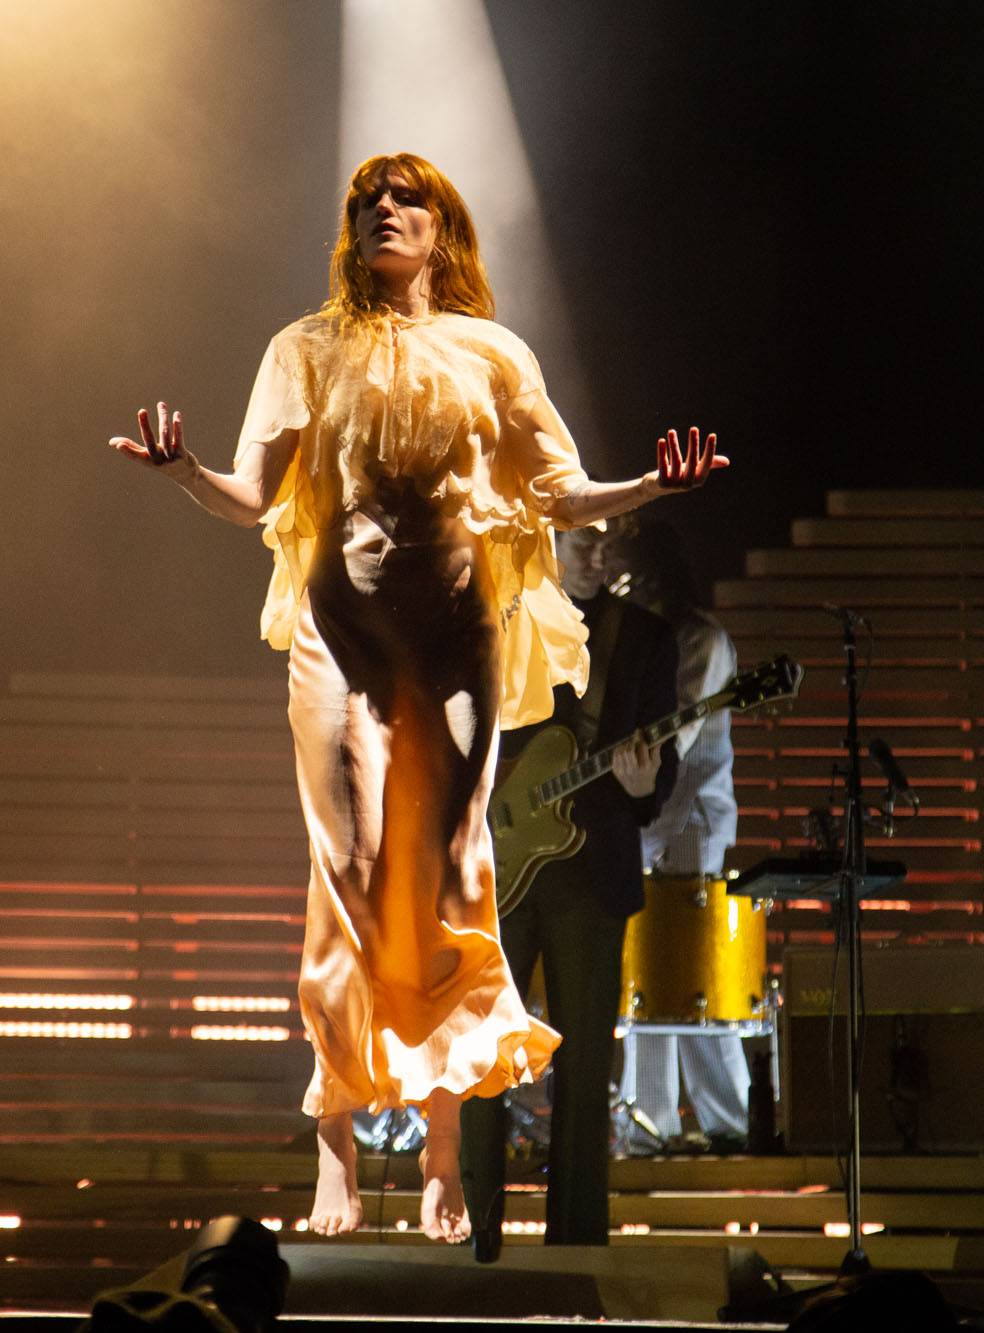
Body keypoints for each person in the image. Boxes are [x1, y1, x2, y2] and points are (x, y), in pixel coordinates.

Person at [107, 151, 725, 1242]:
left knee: (447, 873)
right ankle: (334, 1142)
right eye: (364, 202)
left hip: (451, 643)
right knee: (344, 872)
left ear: (442, 229)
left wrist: (648, 487)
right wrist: (182, 472)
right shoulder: (303, 348)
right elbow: (255, 495)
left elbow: (560, 489)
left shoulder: (491, 352)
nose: (381, 211)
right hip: (335, 638)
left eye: (405, 200)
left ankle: (443, 1147)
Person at [459, 522, 678, 1257]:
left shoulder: (643, 638)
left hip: (594, 871)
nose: (596, 548)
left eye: (605, 536)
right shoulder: (504, 619)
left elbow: (661, 757)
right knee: (485, 1059)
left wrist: (648, 786)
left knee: (585, 1069)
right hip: (501, 865)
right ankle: (476, 1237)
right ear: (544, 539)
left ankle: (577, 1248)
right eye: (580, 535)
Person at [611, 518, 751, 1155]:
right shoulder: (639, 635)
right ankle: (654, 1124)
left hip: (689, 822)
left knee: (684, 975)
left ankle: (726, 1123)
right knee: (655, 976)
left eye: (628, 569)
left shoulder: (700, 638)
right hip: (648, 822)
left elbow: (675, 735)